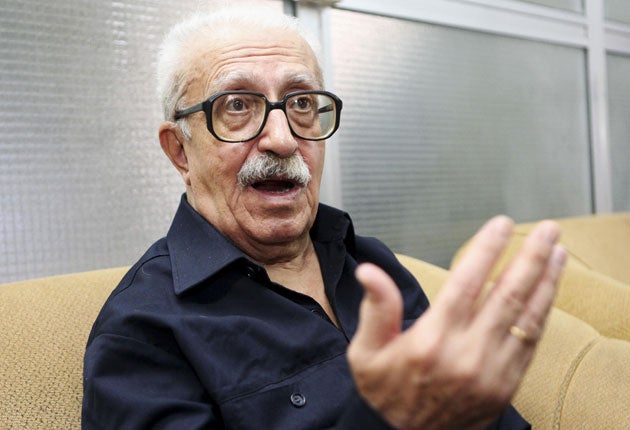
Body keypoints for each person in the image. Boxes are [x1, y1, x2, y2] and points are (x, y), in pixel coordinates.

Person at [82, 3, 567, 429]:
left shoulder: (369, 263)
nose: (282, 139)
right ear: (179, 151)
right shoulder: (142, 331)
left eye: (301, 103)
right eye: (237, 105)